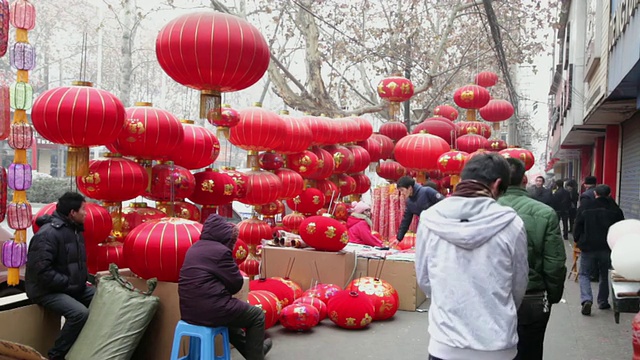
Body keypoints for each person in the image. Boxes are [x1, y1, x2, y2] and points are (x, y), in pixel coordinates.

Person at [415, 153, 529, 360]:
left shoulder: (430, 219)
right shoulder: (512, 223)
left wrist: (449, 301)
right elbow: (518, 284)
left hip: (445, 343)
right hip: (497, 345)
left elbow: (424, 279)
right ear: (497, 185)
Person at [498, 158, 566, 360]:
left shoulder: (485, 211)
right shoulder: (544, 213)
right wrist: (552, 296)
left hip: (493, 298)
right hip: (533, 297)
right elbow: (554, 263)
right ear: (525, 180)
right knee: (530, 351)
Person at [179, 214, 272, 360]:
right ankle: (256, 356)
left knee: (231, 320)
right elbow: (236, 285)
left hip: (189, 311)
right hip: (211, 309)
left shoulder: (194, 248)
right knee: (256, 316)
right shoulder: (221, 252)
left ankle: (254, 351)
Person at [25, 192, 94, 360]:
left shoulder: (75, 230)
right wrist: (69, 283)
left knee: (105, 298)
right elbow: (41, 271)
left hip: (70, 286)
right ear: (72, 213)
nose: (86, 213)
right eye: (83, 209)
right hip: (46, 290)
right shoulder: (48, 234)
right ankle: (56, 355)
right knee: (79, 314)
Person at [574, 184, 624, 315]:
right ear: (609, 194)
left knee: (584, 274)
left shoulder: (585, 207)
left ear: (595, 194)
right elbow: (620, 229)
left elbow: (577, 225)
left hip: (588, 247)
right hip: (607, 248)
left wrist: (578, 240)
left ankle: (586, 300)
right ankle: (602, 301)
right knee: (604, 274)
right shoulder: (616, 210)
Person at [392, 176, 444, 248]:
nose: (402, 193)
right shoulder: (409, 202)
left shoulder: (427, 191)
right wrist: (398, 238)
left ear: (410, 188)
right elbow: (406, 220)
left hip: (439, 228)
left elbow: (444, 204)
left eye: (402, 190)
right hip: (426, 230)